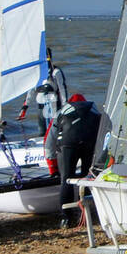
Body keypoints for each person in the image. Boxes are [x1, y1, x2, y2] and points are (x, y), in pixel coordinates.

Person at [47, 92, 100, 226]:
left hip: (67, 142)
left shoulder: (62, 111)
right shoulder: (93, 109)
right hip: (90, 141)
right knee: (87, 178)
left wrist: (52, 166)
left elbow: (50, 141)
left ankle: (66, 218)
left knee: (66, 179)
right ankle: (86, 215)